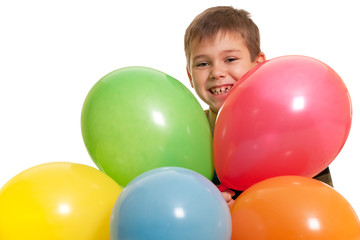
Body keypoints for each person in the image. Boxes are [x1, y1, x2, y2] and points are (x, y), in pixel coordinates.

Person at [184, 6, 333, 208]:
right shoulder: (185, 132)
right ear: (189, 76)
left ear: (259, 64)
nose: (216, 72)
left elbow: (322, 206)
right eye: (202, 64)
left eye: (230, 59)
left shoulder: (293, 128)